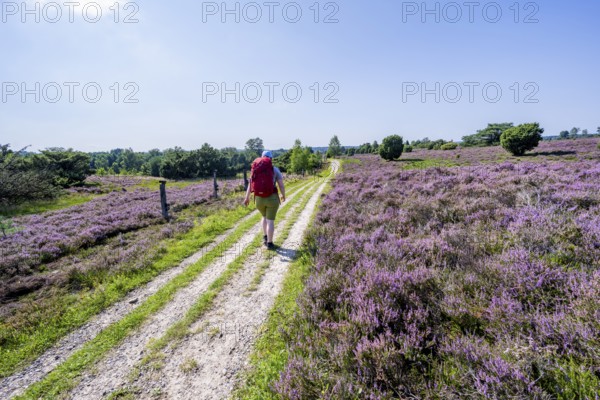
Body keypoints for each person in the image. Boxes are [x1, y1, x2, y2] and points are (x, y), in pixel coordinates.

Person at [244, 150, 286, 250]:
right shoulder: (274, 169)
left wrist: (247, 198)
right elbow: (281, 185)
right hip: (272, 198)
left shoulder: (255, 169)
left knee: (264, 216)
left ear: (261, 157)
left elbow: (250, 185)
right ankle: (270, 243)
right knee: (270, 221)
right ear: (271, 159)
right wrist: (283, 195)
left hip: (258, 199)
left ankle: (265, 237)